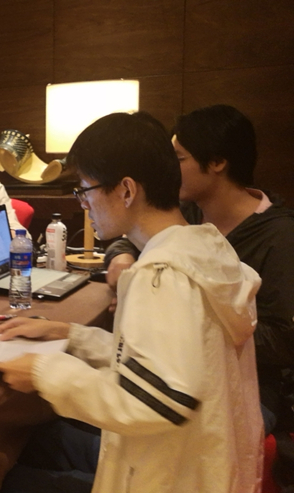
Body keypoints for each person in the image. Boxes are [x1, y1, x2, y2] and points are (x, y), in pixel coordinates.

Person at [0, 113, 262, 492]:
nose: (84, 204)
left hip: (171, 476)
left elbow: (157, 400)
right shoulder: (202, 250)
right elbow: (160, 358)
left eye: (86, 189)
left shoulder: (162, 274)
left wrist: (44, 373)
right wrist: (70, 336)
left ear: (127, 190)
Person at [103, 104, 294, 486]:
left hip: (249, 389)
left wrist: (190, 318)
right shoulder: (190, 213)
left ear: (218, 162)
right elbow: (130, 236)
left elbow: (284, 340)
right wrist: (123, 258)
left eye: (179, 159)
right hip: (182, 373)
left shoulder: (279, 236)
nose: (170, 170)